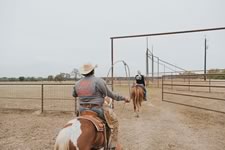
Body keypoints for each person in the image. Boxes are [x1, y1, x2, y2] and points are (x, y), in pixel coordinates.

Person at [72, 63, 129, 149]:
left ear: (83, 73)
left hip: (82, 110)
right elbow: (110, 94)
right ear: (93, 71)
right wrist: (123, 98)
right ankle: (113, 145)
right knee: (114, 122)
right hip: (97, 109)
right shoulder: (98, 81)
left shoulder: (77, 83)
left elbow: (74, 95)